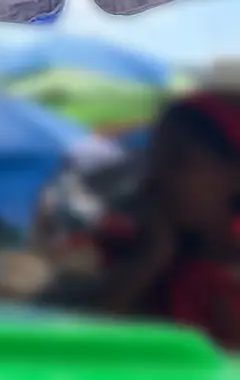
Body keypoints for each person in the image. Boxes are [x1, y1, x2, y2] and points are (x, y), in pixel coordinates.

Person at [78, 93, 240, 347]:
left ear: (233, 175)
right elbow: (83, 343)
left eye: (179, 162)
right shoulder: (111, 257)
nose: (157, 179)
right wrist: (151, 259)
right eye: (154, 161)